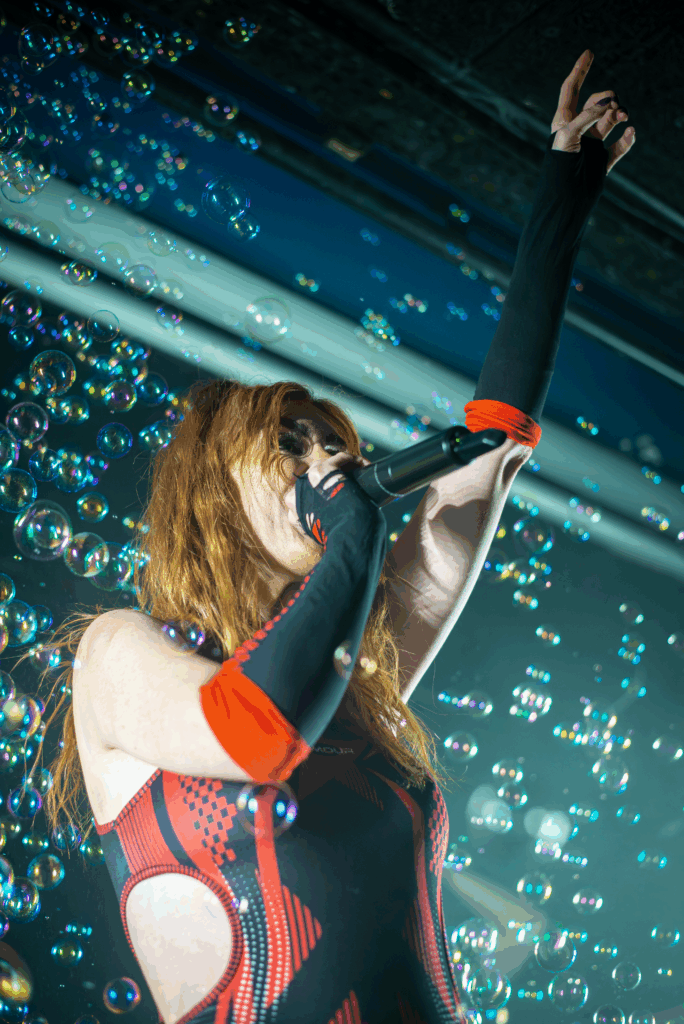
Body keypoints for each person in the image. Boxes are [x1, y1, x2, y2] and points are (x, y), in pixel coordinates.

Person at [91, 51, 634, 1024]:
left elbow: (490, 451)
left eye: (333, 441)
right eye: (290, 445)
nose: (329, 460)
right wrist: (354, 534)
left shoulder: (357, 679)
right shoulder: (116, 654)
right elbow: (255, 729)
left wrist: (565, 191)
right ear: (212, 493)